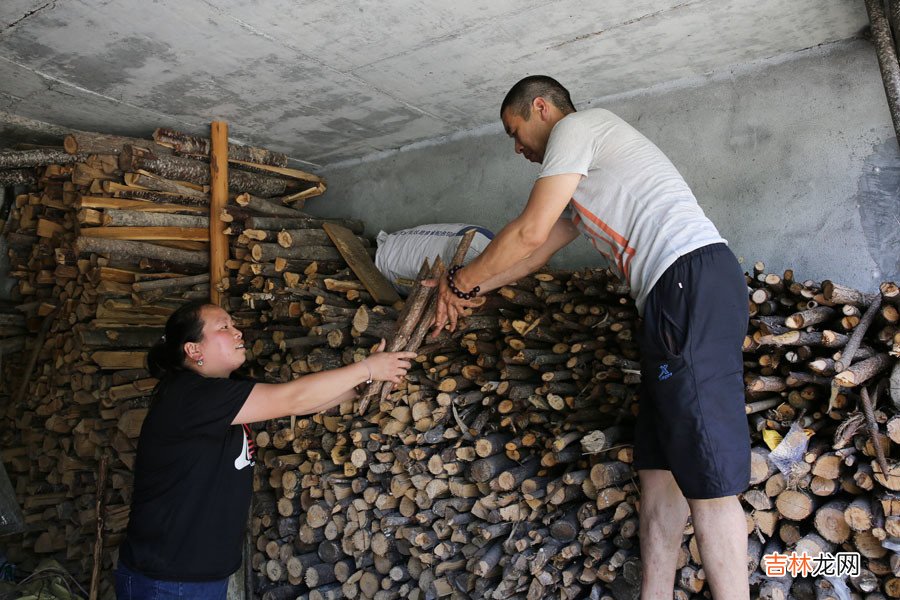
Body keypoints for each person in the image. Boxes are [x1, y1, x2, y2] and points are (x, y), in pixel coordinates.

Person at [429, 76, 750, 599]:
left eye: (516, 132)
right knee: (658, 472)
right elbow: (535, 254)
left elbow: (529, 231)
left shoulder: (580, 126)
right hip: (668, 300)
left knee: (709, 478)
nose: (518, 149)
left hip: (689, 283)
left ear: (541, 108)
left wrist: (460, 281)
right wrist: (465, 290)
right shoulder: (584, 179)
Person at [115, 301, 416, 600]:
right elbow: (293, 399)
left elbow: (305, 402)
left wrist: (365, 383)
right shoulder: (190, 396)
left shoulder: (221, 390)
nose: (237, 332)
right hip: (165, 582)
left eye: (233, 324)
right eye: (224, 327)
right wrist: (366, 369)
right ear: (194, 350)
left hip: (193, 576)